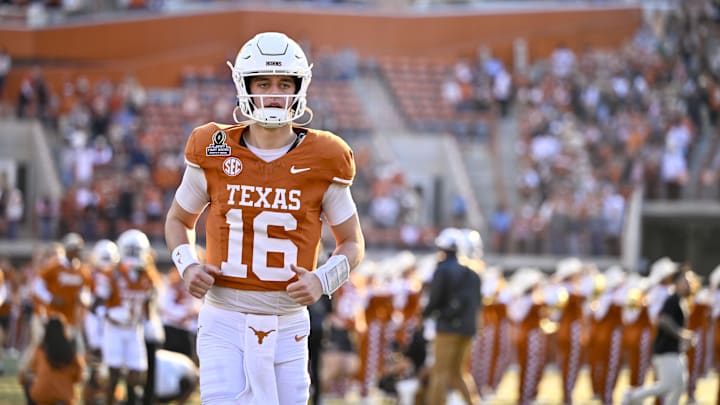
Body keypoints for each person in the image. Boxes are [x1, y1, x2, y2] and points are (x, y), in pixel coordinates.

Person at [164, 31, 365, 404]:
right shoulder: (213, 147)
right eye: (264, 82)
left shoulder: (326, 156)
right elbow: (178, 220)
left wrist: (323, 281)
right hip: (223, 317)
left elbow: (353, 243)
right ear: (246, 86)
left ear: (299, 88)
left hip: (289, 321)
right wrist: (188, 265)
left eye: (284, 83)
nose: (274, 92)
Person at [421, 227, 481, 405]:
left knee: (440, 372)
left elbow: (435, 300)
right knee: (458, 373)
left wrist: (427, 314)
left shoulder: (443, 270)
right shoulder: (473, 273)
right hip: (468, 330)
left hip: (447, 329)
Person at [622, 269, 696, 405]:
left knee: (680, 385)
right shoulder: (672, 300)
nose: (689, 284)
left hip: (675, 351)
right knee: (666, 386)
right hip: (665, 351)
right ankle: (632, 396)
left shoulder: (680, 300)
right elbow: (664, 320)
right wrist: (682, 335)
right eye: (686, 281)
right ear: (677, 283)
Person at [18, 315, 85, 405]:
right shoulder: (72, 352)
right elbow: (78, 378)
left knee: (28, 381)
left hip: (41, 397)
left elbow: (30, 371)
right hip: (65, 398)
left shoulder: (41, 350)